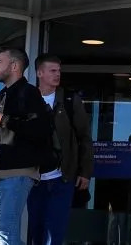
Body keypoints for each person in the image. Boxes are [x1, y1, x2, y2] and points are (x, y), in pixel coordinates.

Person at [0, 47, 50, 245]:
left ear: (14, 66)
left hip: (18, 171)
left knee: (6, 229)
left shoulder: (29, 93)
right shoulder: (4, 94)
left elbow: (40, 129)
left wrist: (5, 120)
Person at [27, 55, 94, 245]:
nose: (57, 75)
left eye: (59, 71)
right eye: (52, 71)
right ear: (39, 73)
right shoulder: (28, 99)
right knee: (34, 231)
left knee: (54, 234)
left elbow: (84, 137)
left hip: (62, 177)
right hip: (33, 178)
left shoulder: (70, 100)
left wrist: (85, 172)